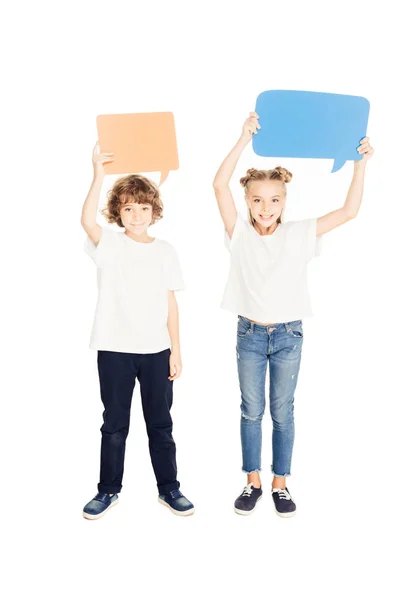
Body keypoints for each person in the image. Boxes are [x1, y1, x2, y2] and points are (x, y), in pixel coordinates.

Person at [213, 112, 374, 517]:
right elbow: (218, 184)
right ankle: (252, 480)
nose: (265, 208)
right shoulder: (239, 234)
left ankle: (280, 484)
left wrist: (360, 164)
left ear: (284, 201)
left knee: (282, 410)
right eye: (256, 200)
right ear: (247, 201)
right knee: (252, 410)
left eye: (274, 200)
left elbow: (349, 211)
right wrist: (242, 138)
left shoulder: (299, 232)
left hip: (288, 336)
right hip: (249, 335)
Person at [80, 143, 194, 519]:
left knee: (161, 424)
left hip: (156, 350)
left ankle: (169, 489)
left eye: (143, 207)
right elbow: (86, 222)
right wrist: (98, 173)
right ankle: (108, 490)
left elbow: (171, 304)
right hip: (114, 348)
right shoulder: (109, 244)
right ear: (118, 211)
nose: (136, 214)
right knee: (114, 425)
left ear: (154, 211)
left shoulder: (165, 251)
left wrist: (176, 350)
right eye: (128, 208)